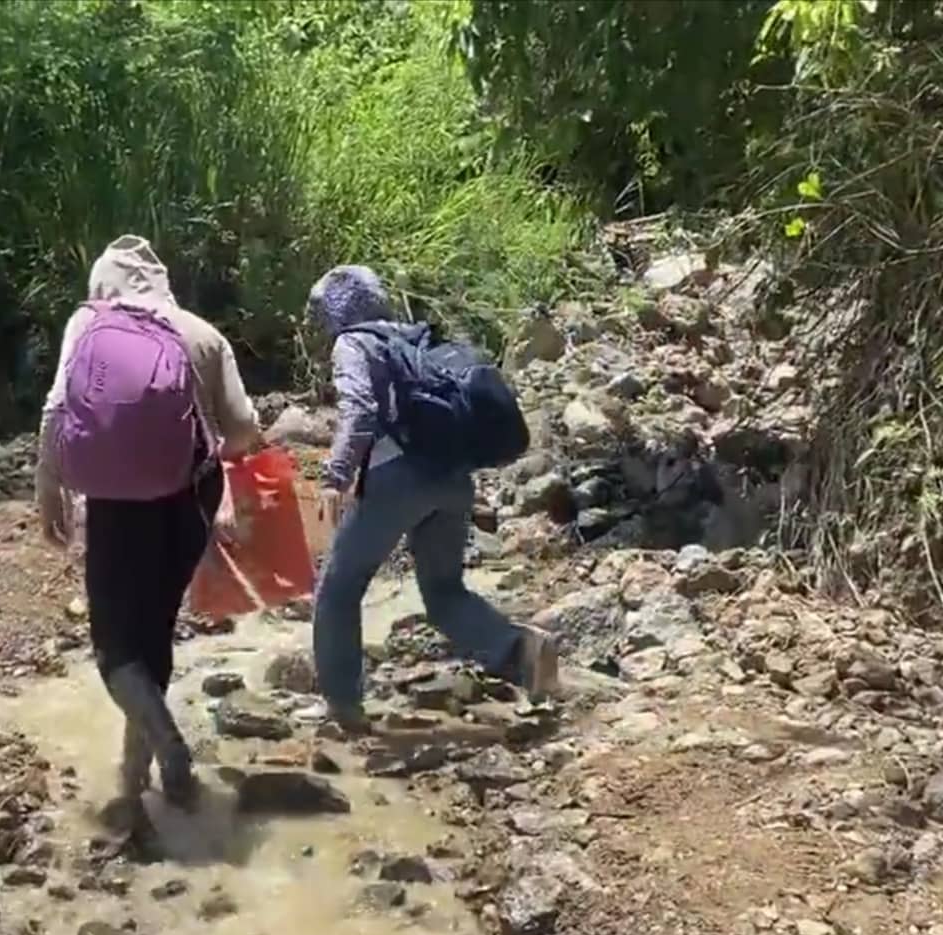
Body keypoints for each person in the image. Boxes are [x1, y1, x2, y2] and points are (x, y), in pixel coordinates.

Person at [36, 235, 262, 833]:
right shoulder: (200, 332)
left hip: (116, 505)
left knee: (115, 647)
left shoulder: (88, 326)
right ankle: (135, 773)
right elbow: (243, 429)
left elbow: (57, 410)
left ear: (102, 281)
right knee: (155, 627)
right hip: (190, 497)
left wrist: (49, 487)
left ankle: (164, 746)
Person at [308, 265, 558, 731]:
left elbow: (359, 410)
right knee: (444, 592)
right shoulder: (413, 337)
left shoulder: (353, 343)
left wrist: (336, 476)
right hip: (452, 478)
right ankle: (522, 650)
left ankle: (343, 709)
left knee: (338, 591)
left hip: (395, 480)